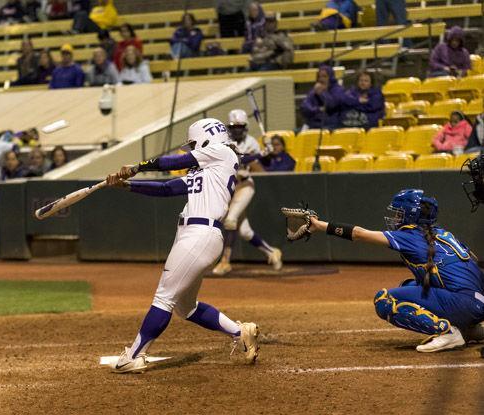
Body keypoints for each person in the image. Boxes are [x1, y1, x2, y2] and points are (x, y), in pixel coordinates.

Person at [105, 117, 262, 373]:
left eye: (193, 143)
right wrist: (127, 185)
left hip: (200, 233)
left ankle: (134, 354)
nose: (191, 148)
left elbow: (177, 161)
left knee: (164, 297)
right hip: (195, 234)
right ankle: (240, 332)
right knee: (184, 306)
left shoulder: (220, 152)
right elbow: (167, 188)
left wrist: (138, 166)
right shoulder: (208, 169)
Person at [306, 189, 484, 352]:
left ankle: (448, 332)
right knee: (410, 284)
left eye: (399, 213)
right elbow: (474, 262)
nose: (396, 218)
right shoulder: (444, 234)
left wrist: (319, 225)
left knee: (384, 299)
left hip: (463, 303)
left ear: (411, 215)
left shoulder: (410, 234)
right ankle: (470, 328)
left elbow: (359, 234)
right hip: (477, 304)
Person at [212, 110, 283, 277]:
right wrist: (261, 153)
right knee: (245, 232)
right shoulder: (223, 142)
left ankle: (225, 262)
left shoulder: (251, 142)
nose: (237, 130)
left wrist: (268, 151)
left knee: (230, 220)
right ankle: (272, 252)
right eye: (234, 126)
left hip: (245, 186)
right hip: (229, 189)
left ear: (245, 127)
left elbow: (261, 165)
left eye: (240, 126)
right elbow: (233, 160)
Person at [300, 65, 346, 130]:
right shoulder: (315, 89)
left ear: (331, 77)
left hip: (331, 125)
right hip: (313, 123)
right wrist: (318, 109)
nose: (321, 79)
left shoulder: (338, 89)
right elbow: (304, 106)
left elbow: (332, 105)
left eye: (324, 76)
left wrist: (321, 93)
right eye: (319, 76)